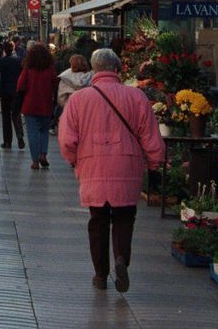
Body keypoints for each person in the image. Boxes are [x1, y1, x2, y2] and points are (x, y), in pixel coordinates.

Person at [58, 48, 166, 293]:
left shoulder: (78, 99)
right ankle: (121, 258)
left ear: (94, 71)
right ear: (118, 70)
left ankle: (100, 274)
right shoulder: (136, 97)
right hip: (127, 166)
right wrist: (154, 163)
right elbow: (150, 136)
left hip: (93, 166)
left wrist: (75, 160)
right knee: (124, 218)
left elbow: (66, 140)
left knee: (97, 221)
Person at [17, 42, 58, 169]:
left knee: (32, 133)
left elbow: (20, 86)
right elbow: (55, 85)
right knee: (44, 131)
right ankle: (43, 154)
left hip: (30, 105)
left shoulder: (28, 68)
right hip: (45, 104)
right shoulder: (50, 69)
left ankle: (35, 161)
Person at [0, 41, 25, 150]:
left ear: (4, 49)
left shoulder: (1, 62)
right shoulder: (19, 61)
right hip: (17, 91)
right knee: (16, 115)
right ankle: (20, 136)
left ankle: (7, 141)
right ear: (13, 49)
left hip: (5, 92)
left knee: (6, 117)